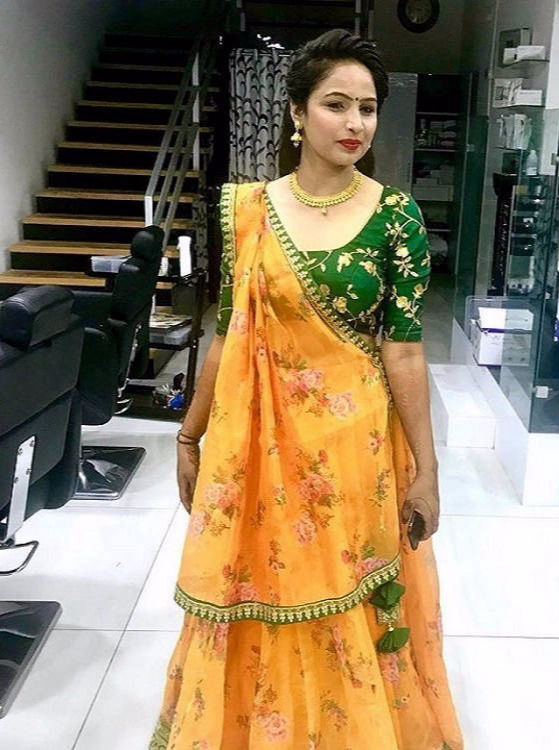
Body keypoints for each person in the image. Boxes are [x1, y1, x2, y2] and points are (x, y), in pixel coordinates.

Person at [150, 28, 464, 750]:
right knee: (258, 587)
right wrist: (189, 434)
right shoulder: (246, 210)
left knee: (345, 596)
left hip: (351, 455)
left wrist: (426, 470)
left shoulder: (395, 217)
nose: (355, 123)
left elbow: (404, 351)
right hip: (255, 455)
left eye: (368, 108)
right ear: (296, 112)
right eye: (336, 104)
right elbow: (227, 332)